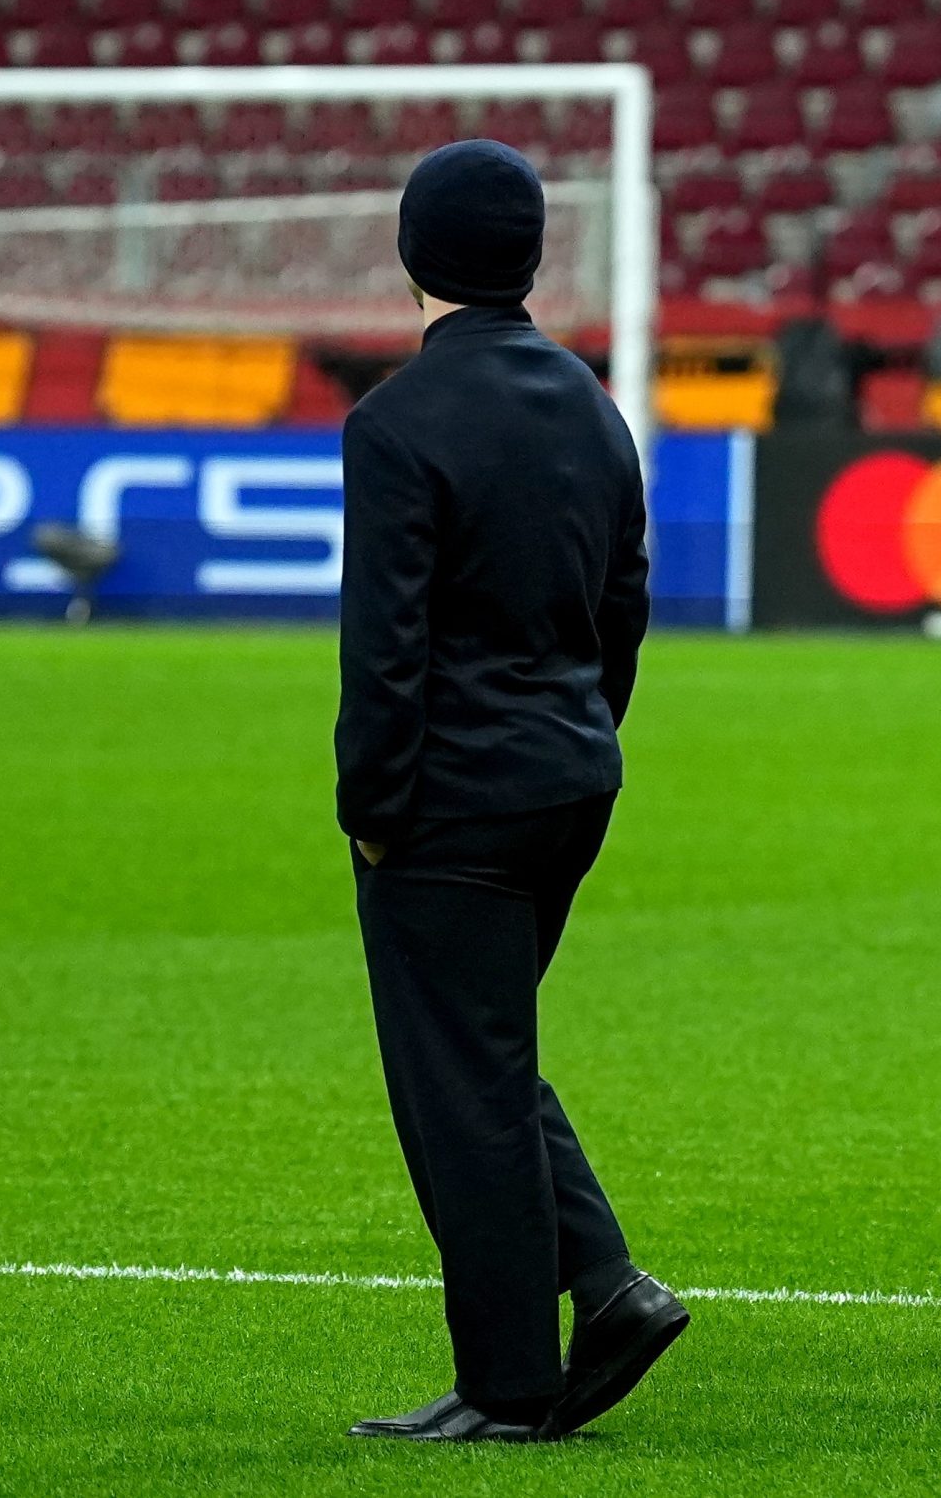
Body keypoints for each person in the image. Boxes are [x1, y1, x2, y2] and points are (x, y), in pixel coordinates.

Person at [336, 138, 683, 1442]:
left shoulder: (396, 423)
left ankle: (509, 1383)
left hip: (452, 796)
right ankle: (608, 1288)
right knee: (484, 1052)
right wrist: (581, 731)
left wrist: (372, 809)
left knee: (457, 1089)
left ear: (414, 251)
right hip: (569, 775)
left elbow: (386, 647)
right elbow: (624, 605)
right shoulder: (594, 407)